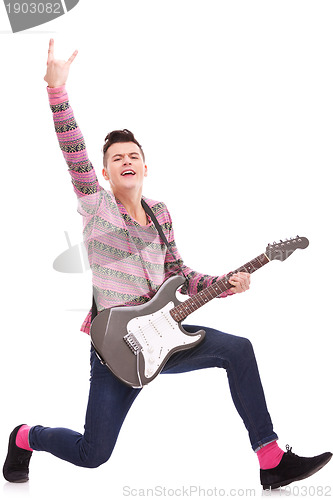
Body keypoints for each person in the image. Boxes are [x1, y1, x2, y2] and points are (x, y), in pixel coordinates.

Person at [3, 39, 331, 489]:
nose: (126, 161)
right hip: (117, 345)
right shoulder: (96, 205)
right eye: (116, 158)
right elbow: (74, 150)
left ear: (144, 166)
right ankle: (25, 437)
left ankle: (271, 459)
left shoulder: (160, 213)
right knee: (92, 453)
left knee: (239, 349)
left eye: (133, 155)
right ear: (104, 173)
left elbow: (179, 274)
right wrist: (57, 92)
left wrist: (224, 283)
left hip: (167, 335)